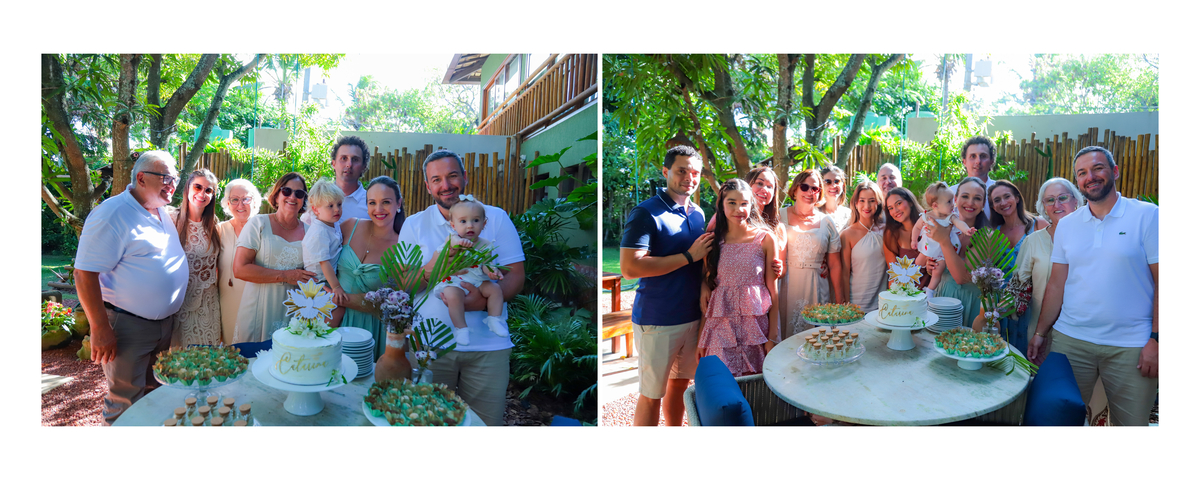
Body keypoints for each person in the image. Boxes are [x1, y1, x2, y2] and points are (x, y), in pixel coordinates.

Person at [1027, 146, 1158, 426]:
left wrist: (1157, 339)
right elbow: (1056, 284)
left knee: (1131, 428)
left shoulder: (1147, 216)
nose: (1091, 177)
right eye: (1082, 173)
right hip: (1071, 340)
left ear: (1115, 171)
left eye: (1098, 168)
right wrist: (1040, 333)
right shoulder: (1068, 225)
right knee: (1056, 422)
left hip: (1131, 346)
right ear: (1078, 181)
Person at [399, 150, 525, 427]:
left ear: (465, 177)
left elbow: (516, 276)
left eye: (452, 176)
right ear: (428, 186)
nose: (446, 185)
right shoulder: (415, 224)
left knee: (484, 427)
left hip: (488, 349)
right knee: (428, 425)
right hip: (430, 346)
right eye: (437, 179)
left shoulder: (495, 218)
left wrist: (478, 303)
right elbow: (405, 285)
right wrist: (436, 266)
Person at [73, 150, 189, 425]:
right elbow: (84, 274)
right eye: (166, 178)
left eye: (175, 179)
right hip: (127, 327)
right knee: (125, 403)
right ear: (141, 178)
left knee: (154, 395)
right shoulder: (112, 213)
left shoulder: (159, 210)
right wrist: (99, 328)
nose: (173, 185)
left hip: (162, 326)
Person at [620, 145, 712, 427]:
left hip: (692, 317)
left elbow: (703, 261)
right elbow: (629, 268)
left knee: (680, 385)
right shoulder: (646, 212)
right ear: (665, 171)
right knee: (651, 395)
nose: (689, 177)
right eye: (681, 170)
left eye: (694, 172)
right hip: (658, 319)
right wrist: (688, 256)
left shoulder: (698, 213)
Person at [698, 179, 779, 376]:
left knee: (754, 386)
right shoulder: (713, 242)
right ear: (721, 205)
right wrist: (702, 338)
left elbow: (773, 293)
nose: (738, 209)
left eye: (744, 203)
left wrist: (772, 337)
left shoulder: (765, 239)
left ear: (751, 205)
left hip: (755, 331)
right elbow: (709, 299)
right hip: (720, 331)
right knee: (721, 383)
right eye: (732, 203)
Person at [232, 173, 315, 343]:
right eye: (287, 191)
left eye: (299, 194)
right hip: (258, 309)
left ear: (303, 200)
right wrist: (285, 276)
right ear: (276, 196)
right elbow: (239, 269)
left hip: (292, 313)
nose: (292, 197)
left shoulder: (310, 232)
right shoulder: (258, 224)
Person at [335, 176, 404, 361]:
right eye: (372, 202)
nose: (378, 209)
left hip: (371, 330)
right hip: (334, 319)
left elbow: (393, 301)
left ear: (398, 203)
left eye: (386, 202)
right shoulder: (350, 226)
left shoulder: (403, 246)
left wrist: (338, 298)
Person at [1014, 178, 1084, 353]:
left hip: (1082, 334)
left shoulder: (1090, 237)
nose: (1056, 204)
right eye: (1050, 200)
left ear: (1075, 200)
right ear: (1044, 207)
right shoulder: (1033, 241)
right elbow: (1018, 286)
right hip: (1039, 332)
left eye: (1063, 198)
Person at [428, 195, 508, 346]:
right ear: (453, 225)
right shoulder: (452, 238)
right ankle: (461, 328)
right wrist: (460, 242)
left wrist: (492, 271)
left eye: (475, 220)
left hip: (477, 279)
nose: (470, 226)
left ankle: (494, 319)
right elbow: (452, 242)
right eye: (463, 221)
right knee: (452, 295)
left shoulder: (485, 244)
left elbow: (486, 264)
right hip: (456, 280)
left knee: (495, 289)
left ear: (484, 224)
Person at [983, 179, 1047, 352]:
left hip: (1032, 300)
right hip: (1002, 303)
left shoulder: (1038, 224)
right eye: (997, 200)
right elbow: (987, 269)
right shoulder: (992, 233)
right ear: (993, 206)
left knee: (1029, 352)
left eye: (1007, 196)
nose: (1003, 202)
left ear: (1017, 198)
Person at [779, 168, 845, 339]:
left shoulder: (826, 222)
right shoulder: (779, 216)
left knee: (816, 337)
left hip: (816, 286)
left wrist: (840, 302)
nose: (810, 192)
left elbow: (835, 265)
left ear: (820, 193)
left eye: (815, 188)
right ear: (795, 189)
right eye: (804, 187)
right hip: (786, 284)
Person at [925, 177, 991, 328]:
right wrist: (932, 265)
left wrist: (944, 241)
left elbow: (961, 278)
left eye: (977, 198)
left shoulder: (987, 236)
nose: (970, 202)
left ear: (983, 204)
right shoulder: (943, 225)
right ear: (955, 199)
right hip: (941, 297)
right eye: (965, 196)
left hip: (968, 302)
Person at [169, 168, 223, 347]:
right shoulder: (171, 219)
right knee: (180, 358)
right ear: (187, 188)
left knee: (207, 358)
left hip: (208, 304)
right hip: (180, 303)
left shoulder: (214, 224)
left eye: (208, 190)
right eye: (198, 187)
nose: (202, 194)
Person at [300, 135, 387, 226]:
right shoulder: (319, 197)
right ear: (334, 163)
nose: (349, 164)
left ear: (364, 166)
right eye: (344, 158)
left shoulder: (371, 203)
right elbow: (302, 229)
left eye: (355, 159)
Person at [217, 179, 261, 346]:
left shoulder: (263, 228)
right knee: (231, 350)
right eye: (235, 199)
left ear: (254, 201)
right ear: (228, 203)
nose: (240, 204)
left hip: (257, 299)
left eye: (246, 199)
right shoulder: (219, 230)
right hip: (228, 300)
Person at [912, 181, 976, 294]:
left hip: (942, 252)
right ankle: (909, 281)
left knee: (938, 270)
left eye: (953, 200)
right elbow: (917, 227)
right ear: (935, 205)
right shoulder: (926, 216)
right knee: (918, 263)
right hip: (928, 248)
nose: (953, 204)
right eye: (949, 202)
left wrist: (967, 230)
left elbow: (959, 223)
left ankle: (930, 290)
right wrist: (914, 240)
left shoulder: (950, 217)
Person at [302, 178, 348, 328]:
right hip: (318, 281)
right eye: (330, 206)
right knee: (337, 308)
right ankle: (325, 335)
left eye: (339, 204)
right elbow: (324, 262)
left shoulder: (332, 224)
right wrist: (336, 287)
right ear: (316, 210)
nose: (337, 209)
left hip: (326, 278)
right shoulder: (319, 231)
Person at [840, 181, 888, 310]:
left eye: (872, 201)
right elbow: (844, 273)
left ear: (878, 203)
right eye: (862, 200)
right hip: (857, 302)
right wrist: (846, 306)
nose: (867, 206)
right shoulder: (847, 234)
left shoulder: (887, 230)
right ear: (855, 203)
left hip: (883, 303)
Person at [881, 187, 931, 289]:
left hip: (934, 292)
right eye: (890, 208)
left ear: (910, 202)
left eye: (898, 203)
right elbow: (894, 276)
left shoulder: (929, 224)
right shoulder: (891, 234)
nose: (895, 211)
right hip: (906, 294)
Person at [948, 136, 998, 221]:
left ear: (991, 161)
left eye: (983, 156)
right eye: (973, 156)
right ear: (964, 162)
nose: (978, 161)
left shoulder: (1000, 193)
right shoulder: (950, 194)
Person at [819, 165, 852, 230]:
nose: (833, 185)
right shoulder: (815, 213)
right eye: (828, 182)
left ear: (843, 185)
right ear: (821, 185)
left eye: (837, 181)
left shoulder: (849, 214)